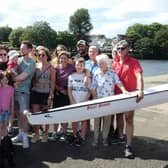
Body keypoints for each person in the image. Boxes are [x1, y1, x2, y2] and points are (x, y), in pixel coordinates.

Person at [112, 40, 144, 159]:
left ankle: (128, 146)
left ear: (128, 49)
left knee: (129, 119)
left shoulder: (134, 62)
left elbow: (139, 76)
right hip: (116, 95)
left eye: (123, 48)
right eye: (118, 48)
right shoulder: (114, 63)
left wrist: (140, 90)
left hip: (130, 95)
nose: (120, 50)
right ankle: (121, 137)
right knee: (119, 117)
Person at [91, 54, 127, 147]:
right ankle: (95, 139)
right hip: (98, 101)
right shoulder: (96, 72)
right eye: (98, 63)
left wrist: (124, 91)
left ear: (106, 63)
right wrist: (95, 99)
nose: (100, 64)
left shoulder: (112, 73)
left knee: (107, 122)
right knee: (96, 121)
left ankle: (104, 139)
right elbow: (93, 87)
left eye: (101, 63)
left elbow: (118, 82)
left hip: (109, 102)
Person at [11, 41, 36, 149]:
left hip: (23, 92)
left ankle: (25, 137)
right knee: (18, 114)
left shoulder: (31, 63)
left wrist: (9, 79)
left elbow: (22, 77)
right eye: (20, 48)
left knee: (23, 116)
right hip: (14, 92)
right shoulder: (18, 60)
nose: (21, 50)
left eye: (24, 48)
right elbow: (10, 70)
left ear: (30, 50)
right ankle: (21, 134)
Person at [30, 47, 55, 143]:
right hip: (35, 93)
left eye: (43, 55)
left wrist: (50, 96)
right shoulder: (36, 66)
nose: (41, 56)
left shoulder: (51, 68)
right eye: (39, 55)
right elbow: (32, 80)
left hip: (46, 93)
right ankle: (36, 134)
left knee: (46, 115)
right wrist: (36, 84)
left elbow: (53, 83)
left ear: (47, 56)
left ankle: (45, 133)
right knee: (36, 115)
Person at [68, 57, 91, 146]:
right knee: (74, 120)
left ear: (84, 66)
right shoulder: (71, 76)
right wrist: (72, 100)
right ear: (75, 65)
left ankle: (82, 136)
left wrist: (85, 100)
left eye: (81, 65)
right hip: (74, 101)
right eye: (77, 65)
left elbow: (89, 90)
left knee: (83, 120)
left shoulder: (87, 77)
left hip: (83, 101)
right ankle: (74, 135)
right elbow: (69, 89)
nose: (79, 66)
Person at [53, 51, 75, 141]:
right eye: (61, 58)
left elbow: (82, 71)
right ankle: (55, 132)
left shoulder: (72, 68)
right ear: (58, 59)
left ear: (68, 59)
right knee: (55, 113)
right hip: (58, 93)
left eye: (65, 58)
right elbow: (52, 81)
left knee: (65, 113)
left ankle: (64, 132)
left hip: (67, 93)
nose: (63, 60)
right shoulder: (55, 68)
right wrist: (60, 89)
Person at [0, 71, 16, 167]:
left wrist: (12, 109)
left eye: (6, 80)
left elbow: (12, 100)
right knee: (1, 127)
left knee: (4, 128)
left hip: (6, 111)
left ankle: (5, 146)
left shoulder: (11, 89)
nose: (5, 81)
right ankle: (3, 145)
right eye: (3, 79)